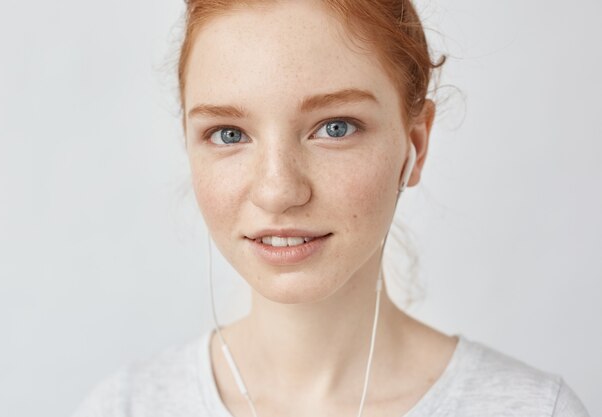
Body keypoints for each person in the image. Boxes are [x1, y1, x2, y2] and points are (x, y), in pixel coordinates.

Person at [72, 0, 590, 416]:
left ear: (415, 146)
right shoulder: (123, 407)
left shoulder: (536, 409)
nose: (277, 191)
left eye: (335, 128)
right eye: (228, 134)